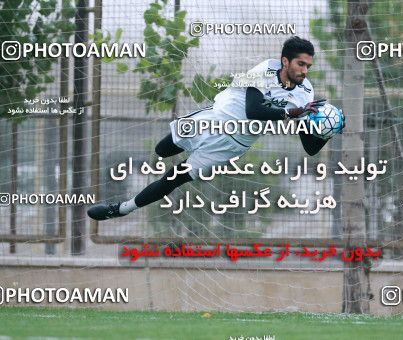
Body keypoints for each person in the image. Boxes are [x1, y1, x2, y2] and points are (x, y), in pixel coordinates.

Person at [87, 36, 345, 221]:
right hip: (213, 120)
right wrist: (290, 113)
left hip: (232, 145)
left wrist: (327, 129)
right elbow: (253, 110)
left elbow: (310, 148)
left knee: (175, 178)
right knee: (161, 150)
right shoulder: (262, 70)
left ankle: (121, 209)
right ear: (284, 61)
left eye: (308, 66)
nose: (304, 70)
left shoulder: (305, 94)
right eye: (301, 64)